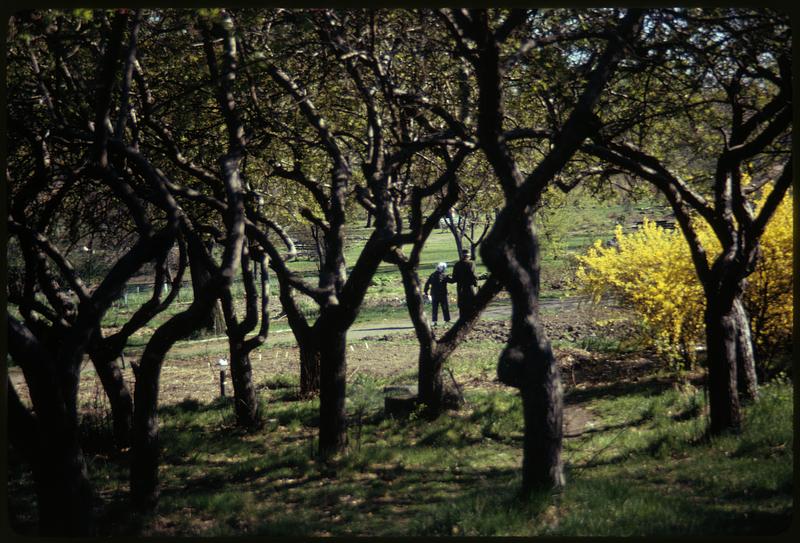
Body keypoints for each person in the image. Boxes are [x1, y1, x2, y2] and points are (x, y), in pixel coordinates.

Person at [451, 249, 478, 314]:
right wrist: (476, 284)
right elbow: (473, 275)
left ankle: (462, 319)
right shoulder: (471, 263)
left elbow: (454, 278)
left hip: (460, 287)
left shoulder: (457, 264)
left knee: (462, 304)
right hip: (469, 287)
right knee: (471, 303)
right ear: (468, 256)